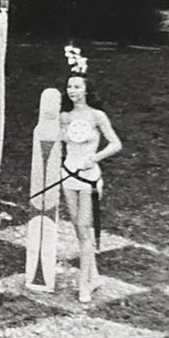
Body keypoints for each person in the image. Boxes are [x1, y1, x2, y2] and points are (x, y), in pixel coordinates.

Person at [59, 56, 122, 306]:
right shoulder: (64, 116)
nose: (72, 91)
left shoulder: (97, 116)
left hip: (89, 179)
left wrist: (94, 157)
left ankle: (84, 284)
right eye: (69, 87)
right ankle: (93, 277)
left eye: (76, 86)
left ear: (86, 89)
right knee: (78, 231)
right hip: (68, 177)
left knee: (85, 231)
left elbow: (116, 144)